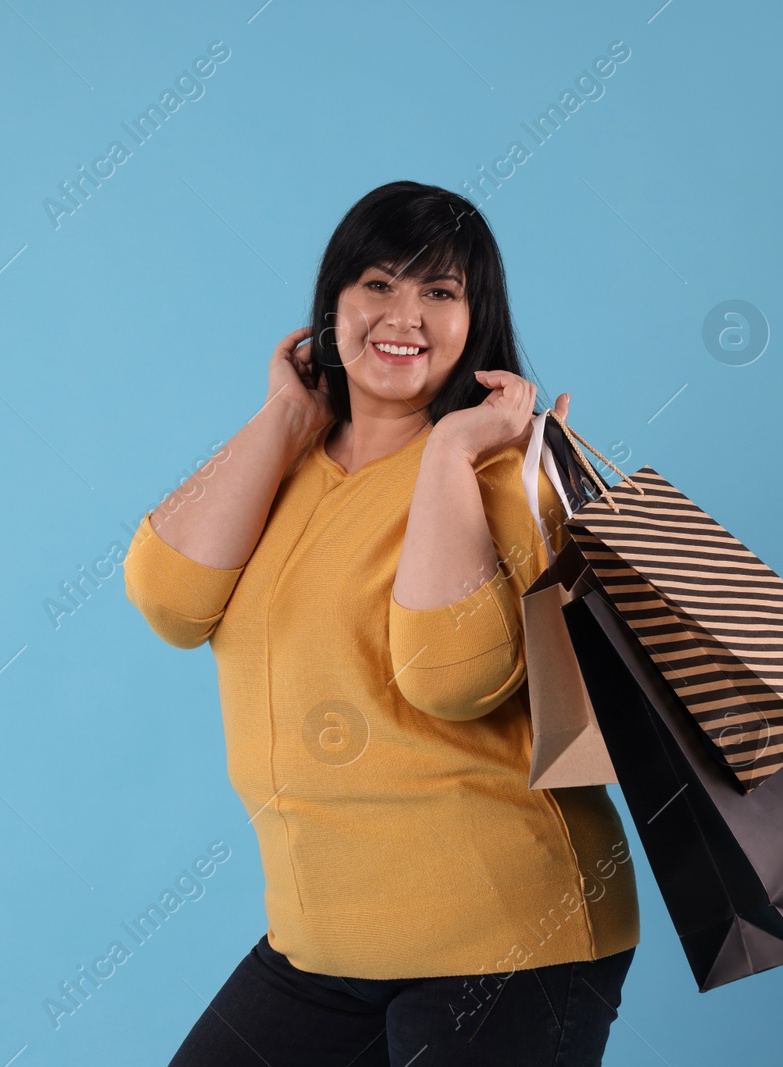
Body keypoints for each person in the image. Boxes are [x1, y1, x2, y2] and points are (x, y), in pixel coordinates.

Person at [123, 181, 640, 1066]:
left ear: (476, 321)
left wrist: (447, 450)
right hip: (323, 941)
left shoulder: (504, 474)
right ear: (332, 305)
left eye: (440, 292)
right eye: (378, 285)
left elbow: (452, 677)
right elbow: (171, 601)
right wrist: (286, 411)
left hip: (507, 934)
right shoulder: (287, 466)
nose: (404, 316)